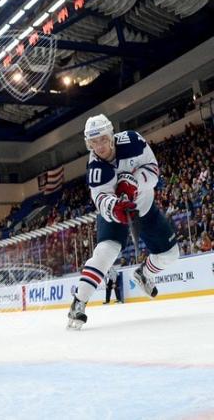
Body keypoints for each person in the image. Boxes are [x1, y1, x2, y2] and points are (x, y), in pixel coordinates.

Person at [67, 115, 179, 329]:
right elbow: (100, 200)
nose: (99, 146)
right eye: (93, 142)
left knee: (171, 254)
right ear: (88, 144)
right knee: (105, 253)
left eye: (102, 139)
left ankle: (144, 273)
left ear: (112, 136)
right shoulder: (96, 168)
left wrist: (133, 182)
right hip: (115, 213)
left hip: (143, 206)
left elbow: (154, 171)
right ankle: (79, 302)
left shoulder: (133, 141)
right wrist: (115, 207)